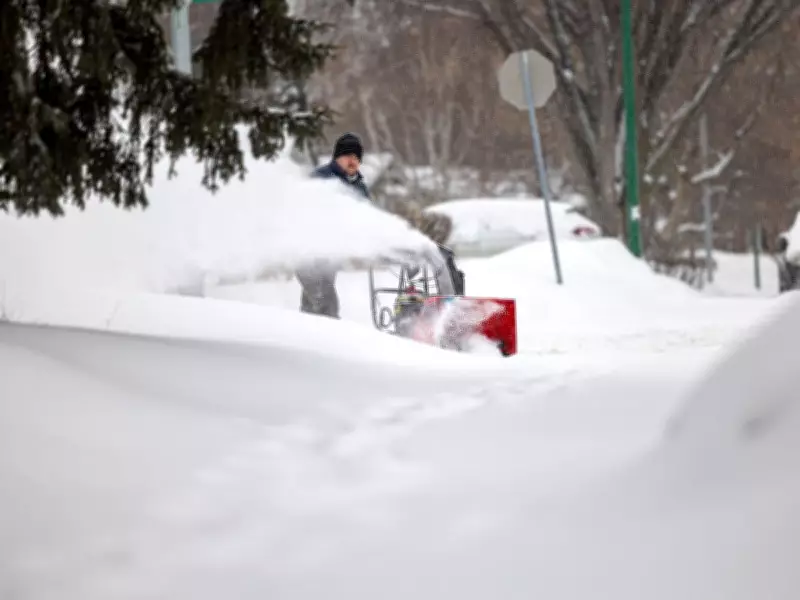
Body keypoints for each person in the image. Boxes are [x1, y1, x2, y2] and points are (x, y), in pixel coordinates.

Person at [297, 133, 370, 318]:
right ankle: (329, 338)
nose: (352, 161)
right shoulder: (320, 179)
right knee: (325, 303)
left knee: (313, 304)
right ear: (337, 158)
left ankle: (302, 338)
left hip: (330, 257)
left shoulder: (359, 187)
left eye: (356, 157)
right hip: (307, 253)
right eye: (348, 156)